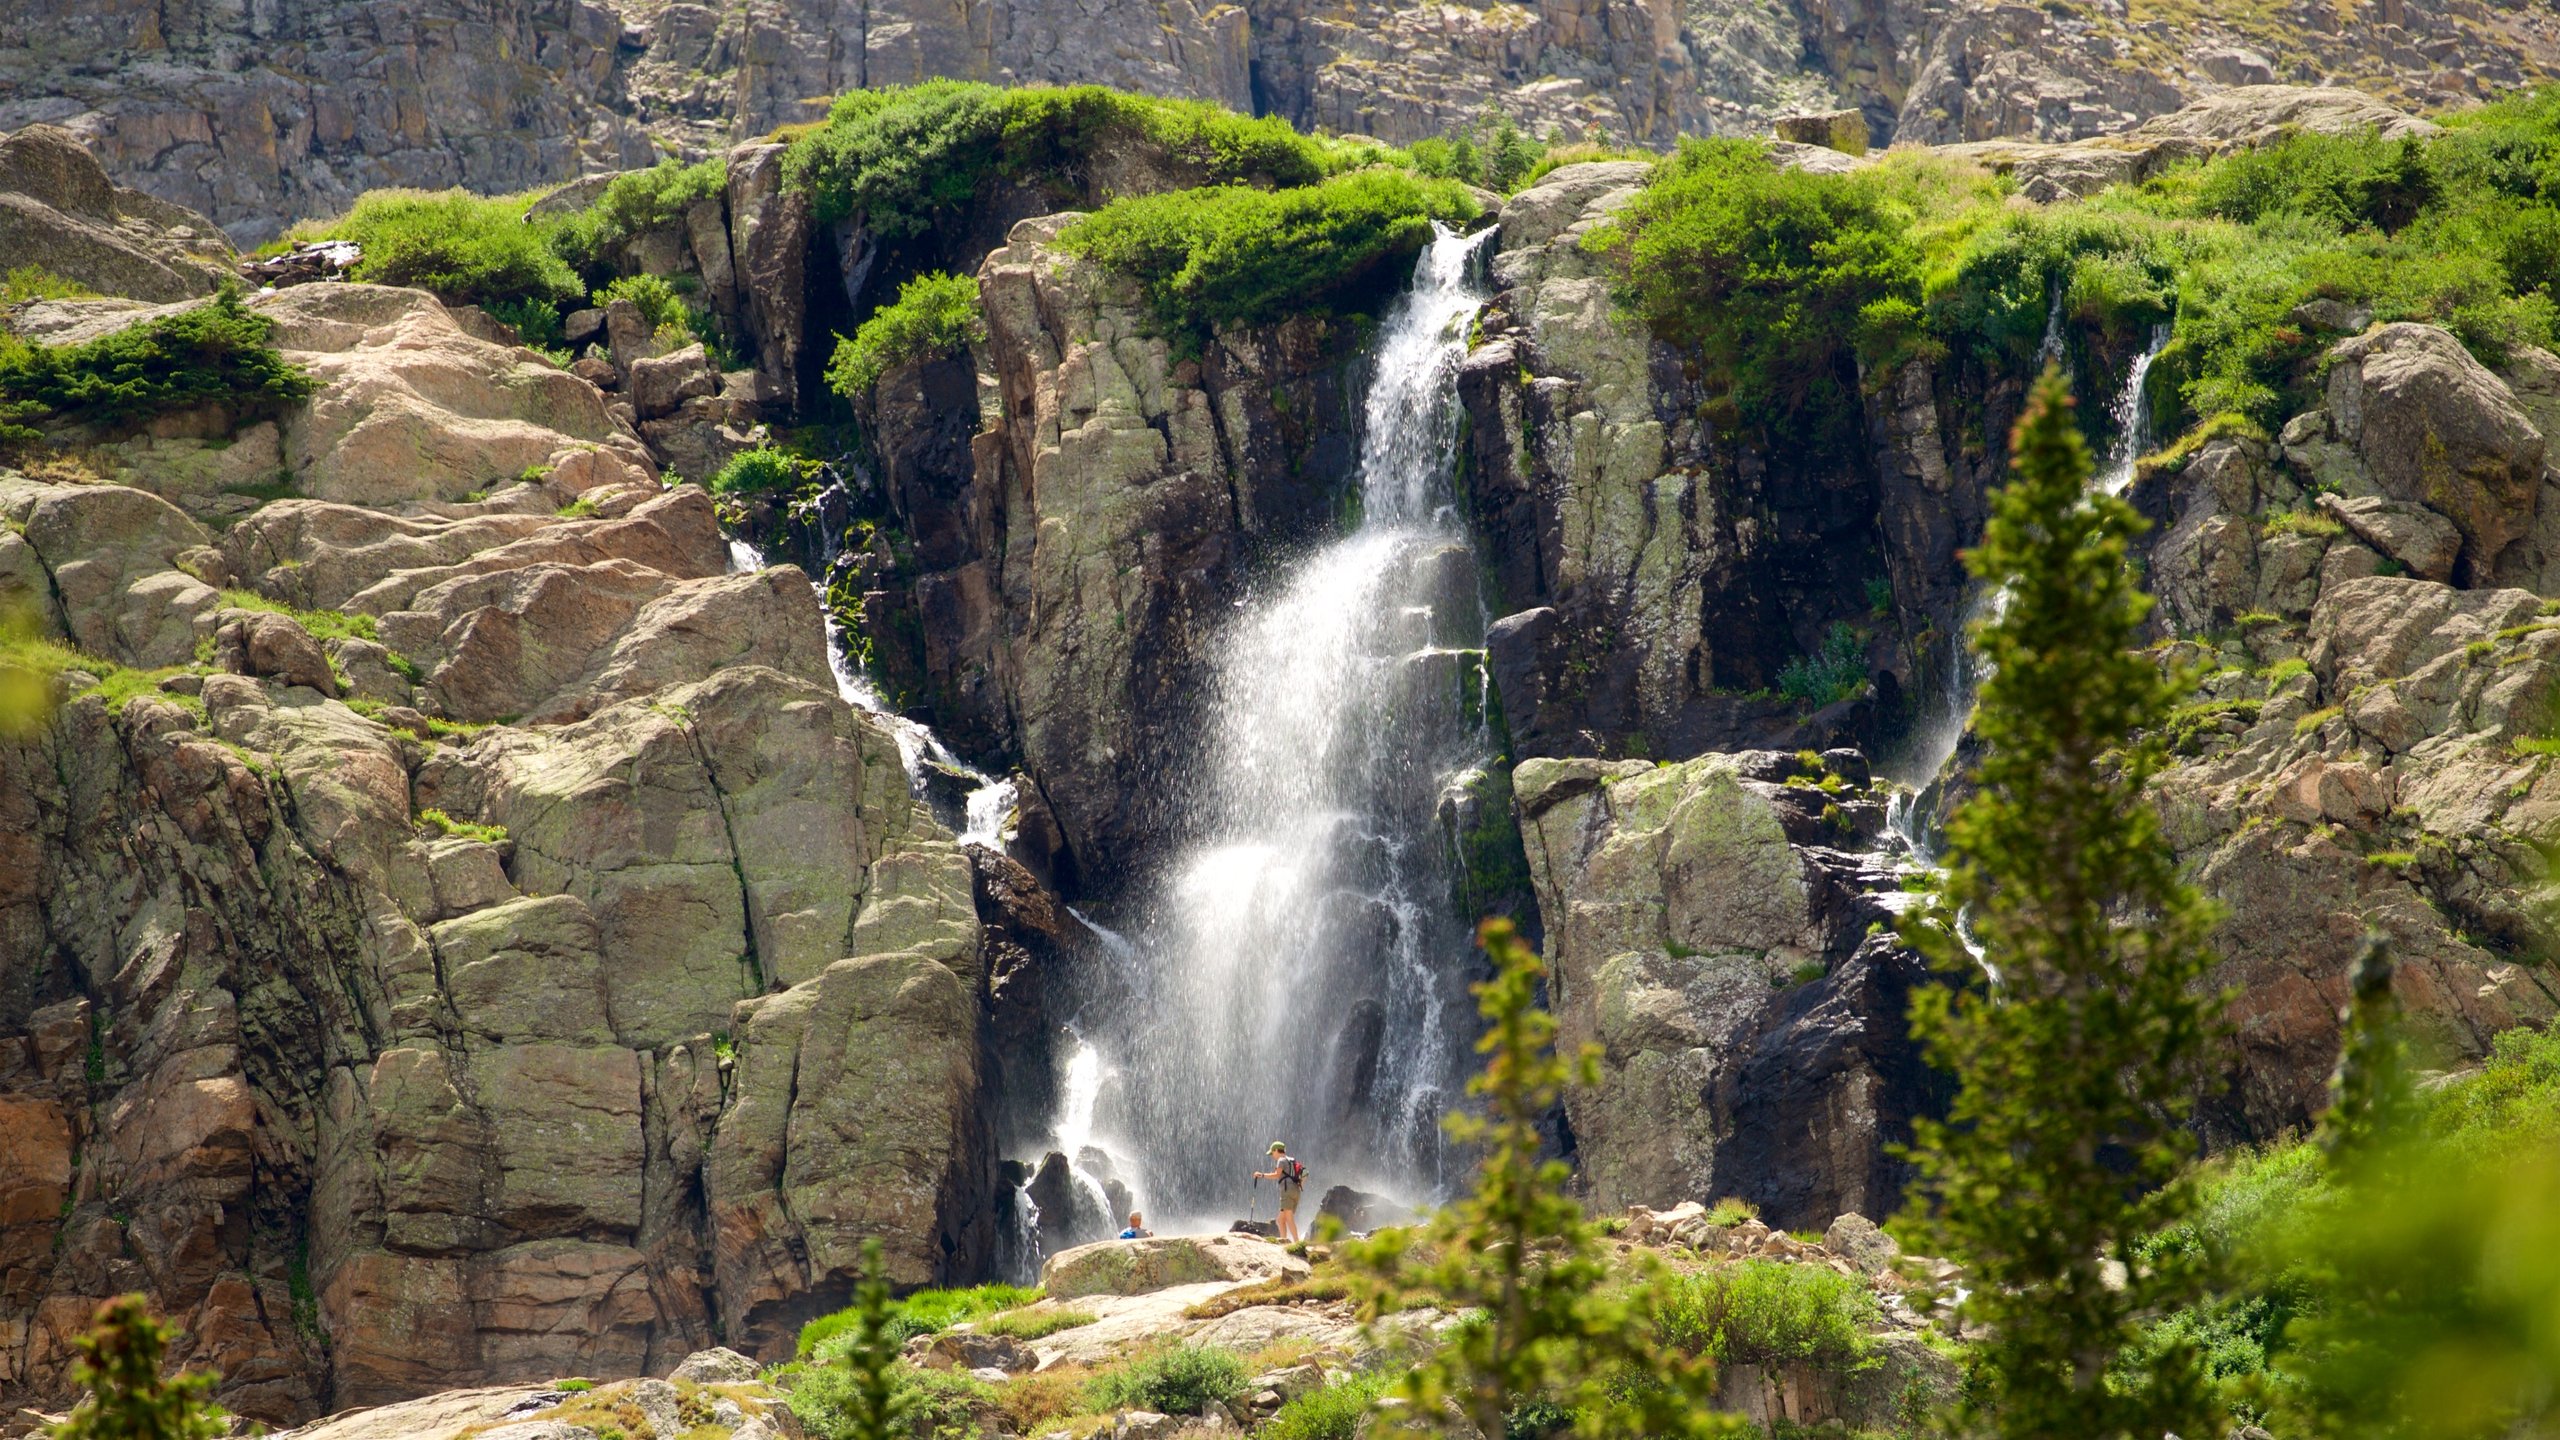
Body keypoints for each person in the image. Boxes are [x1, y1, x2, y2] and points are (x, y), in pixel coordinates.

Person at [1252, 1142, 1307, 1243]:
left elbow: (1277, 1175)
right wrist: (1300, 1185)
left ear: (1276, 1150)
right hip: (1296, 1191)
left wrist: (1262, 1175)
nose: (1272, 1156)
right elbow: (1305, 1173)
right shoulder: (1292, 1160)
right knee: (1280, 1220)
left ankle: (1297, 1242)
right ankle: (1283, 1241)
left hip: (1287, 1191)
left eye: (1272, 1153)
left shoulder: (1281, 1160)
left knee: (1289, 1217)